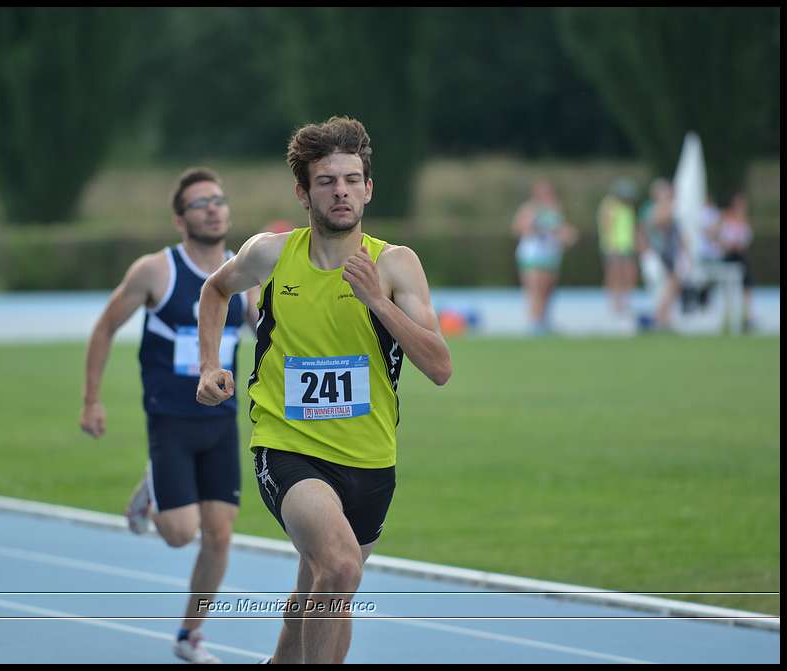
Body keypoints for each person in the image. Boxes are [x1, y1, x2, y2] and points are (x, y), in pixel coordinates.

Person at [195, 116, 452, 664]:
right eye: (327, 181)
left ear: (368, 189)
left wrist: (377, 301)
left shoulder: (394, 265)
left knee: (321, 588)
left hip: (370, 459)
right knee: (339, 567)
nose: (341, 191)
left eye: (352, 180)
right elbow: (215, 290)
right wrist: (209, 364)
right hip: (288, 447)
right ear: (303, 192)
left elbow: (439, 366)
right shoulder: (270, 254)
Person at [80, 167, 259, 664]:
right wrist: (92, 399)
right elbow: (104, 327)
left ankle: (189, 635)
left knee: (220, 535)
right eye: (201, 203)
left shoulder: (244, 273)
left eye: (219, 200)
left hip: (221, 421)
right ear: (180, 220)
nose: (213, 208)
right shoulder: (155, 271)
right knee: (181, 534)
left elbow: (270, 334)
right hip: (170, 420)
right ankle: (152, 492)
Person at [512, 179, 578, 334]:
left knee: (547, 291)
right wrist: (535, 226)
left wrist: (567, 235)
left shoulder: (555, 209)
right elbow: (518, 228)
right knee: (535, 289)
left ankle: (544, 321)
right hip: (532, 256)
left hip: (550, 255)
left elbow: (560, 230)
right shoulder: (529, 209)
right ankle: (534, 323)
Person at [637, 179, 683, 330]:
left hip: (668, 253)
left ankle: (662, 318)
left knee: (671, 286)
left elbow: (680, 234)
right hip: (657, 253)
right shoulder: (652, 209)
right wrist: (645, 253)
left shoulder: (671, 207)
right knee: (665, 286)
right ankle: (659, 318)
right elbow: (657, 224)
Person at [597, 177, 639, 316]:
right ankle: (614, 304)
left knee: (629, 274)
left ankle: (625, 302)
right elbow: (606, 225)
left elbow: (630, 227)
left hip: (627, 246)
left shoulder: (627, 206)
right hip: (614, 247)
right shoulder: (609, 205)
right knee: (614, 275)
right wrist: (610, 245)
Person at [716, 192, 755, 328]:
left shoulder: (744, 221)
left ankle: (747, 316)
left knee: (747, 286)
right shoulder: (725, 218)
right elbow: (720, 238)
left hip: (741, 256)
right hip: (729, 256)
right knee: (727, 287)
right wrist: (729, 244)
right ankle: (727, 316)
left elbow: (746, 240)